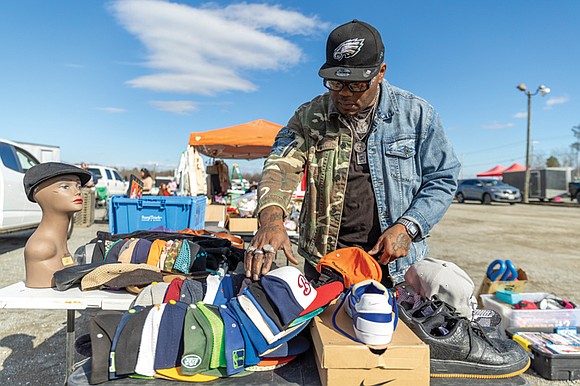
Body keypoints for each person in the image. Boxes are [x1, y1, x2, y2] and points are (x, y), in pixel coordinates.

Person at [245, 20, 461, 285]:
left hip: (393, 266)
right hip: (325, 263)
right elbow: (280, 166)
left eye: (357, 85)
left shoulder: (417, 116)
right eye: (335, 83)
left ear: (380, 73)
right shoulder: (309, 116)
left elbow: (442, 178)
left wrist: (408, 226)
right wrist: (271, 220)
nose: (345, 94)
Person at [22, 162, 92, 288]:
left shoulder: (59, 246)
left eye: (78, 186)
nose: (77, 192)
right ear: (39, 194)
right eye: (65, 186)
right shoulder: (40, 248)